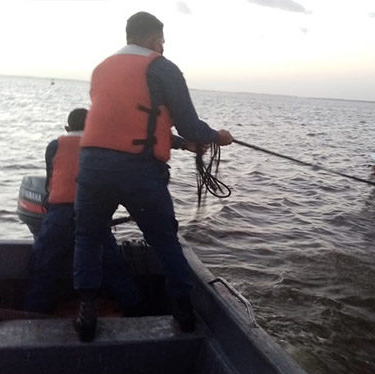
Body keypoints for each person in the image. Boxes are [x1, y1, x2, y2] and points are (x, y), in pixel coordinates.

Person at [73, 12, 234, 341]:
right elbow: (189, 124)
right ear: (149, 39)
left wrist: (179, 144)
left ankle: (86, 313)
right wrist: (218, 136)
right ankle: (183, 311)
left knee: (88, 237)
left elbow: (127, 123)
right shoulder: (163, 67)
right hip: (139, 170)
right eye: (161, 39)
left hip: (91, 165)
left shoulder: (101, 68)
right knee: (164, 240)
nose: (163, 45)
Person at [24, 108, 141, 315]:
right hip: (93, 214)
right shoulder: (102, 148)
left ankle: (32, 317)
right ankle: (135, 313)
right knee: (114, 268)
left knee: (42, 267)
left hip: (58, 215)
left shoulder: (54, 146)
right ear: (92, 127)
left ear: (67, 128)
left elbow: (50, 184)